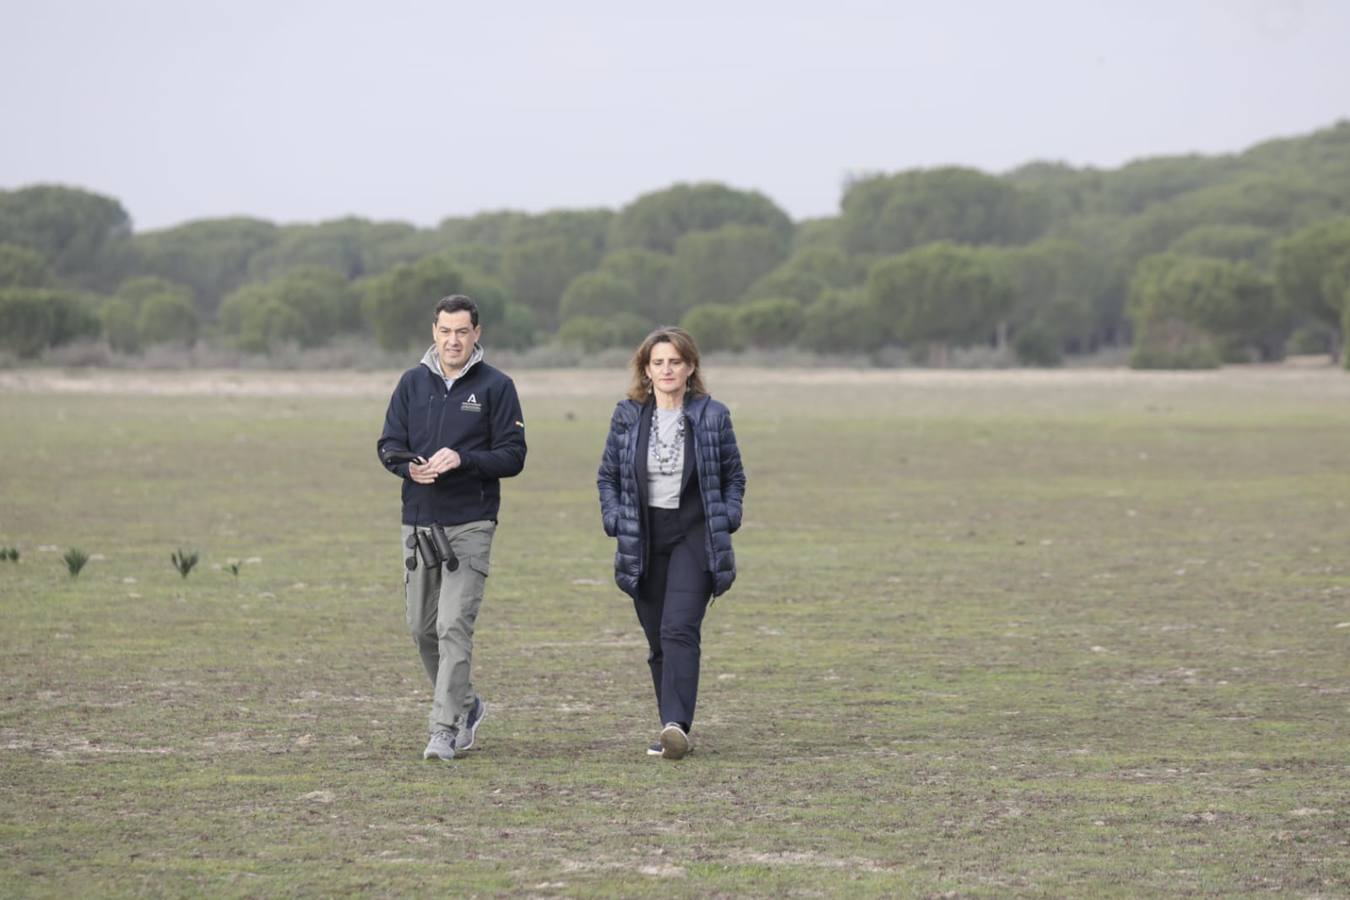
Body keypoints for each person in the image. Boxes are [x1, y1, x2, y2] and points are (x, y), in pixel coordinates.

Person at [377, 295, 526, 761]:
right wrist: (407, 468)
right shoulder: (410, 383)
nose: (453, 340)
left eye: (462, 331)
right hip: (418, 523)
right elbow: (388, 445)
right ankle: (468, 704)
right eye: (445, 331)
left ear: (477, 333)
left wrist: (463, 460)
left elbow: (513, 456)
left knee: (451, 626)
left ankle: (443, 729)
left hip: (471, 524)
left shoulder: (497, 387)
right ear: (434, 332)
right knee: (421, 629)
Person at [597, 326, 746, 759]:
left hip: (694, 534)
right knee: (659, 640)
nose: (667, 369)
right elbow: (607, 477)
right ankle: (669, 725)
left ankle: (676, 726)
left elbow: (735, 476)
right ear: (646, 369)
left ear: (690, 367)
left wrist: (728, 515)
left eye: (675, 362)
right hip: (642, 536)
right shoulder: (627, 416)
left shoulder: (712, 415)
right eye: (658, 362)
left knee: (679, 628)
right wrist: (614, 520)